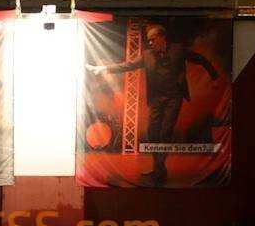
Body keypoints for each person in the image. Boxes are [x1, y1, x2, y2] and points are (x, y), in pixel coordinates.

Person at [86, 24, 221, 185]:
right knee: (152, 132)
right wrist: (103, 68)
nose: (150, 43)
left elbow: (201, 59)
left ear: (162, 38)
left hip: (174, 97)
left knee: (165, 131)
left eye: (153, 40)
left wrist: (214, 77)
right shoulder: (147, 55)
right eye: (149, 40)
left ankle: (159, 171)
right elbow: (128, 65)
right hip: (157, 99)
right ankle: (159, 168)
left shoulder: (178, 50)